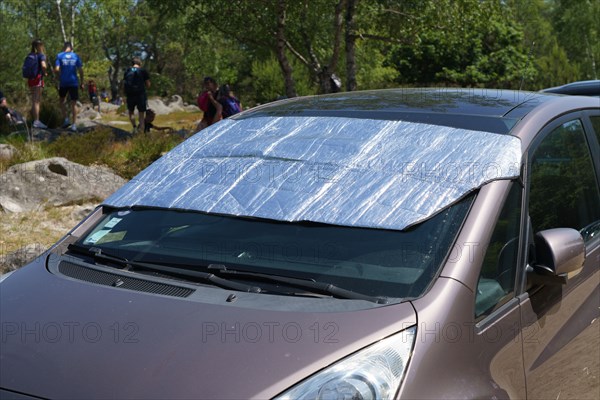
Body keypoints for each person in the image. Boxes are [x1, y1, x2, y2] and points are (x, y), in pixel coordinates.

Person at [55, 41, 84, 132]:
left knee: (61, 101)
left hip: (64, 82)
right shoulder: (75, 56)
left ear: (64, 47)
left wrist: (59, 76)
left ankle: (66, 119)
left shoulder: (59, 56)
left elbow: (56, 69)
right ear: (71, 48)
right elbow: (81, 70)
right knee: (74, 103)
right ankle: (74, 125)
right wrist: (82, 82)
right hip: (73, 82)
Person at [123, 56, 150, 133]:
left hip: (130, 95)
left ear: (132, 63)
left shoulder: (127, 71)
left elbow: (123, 84)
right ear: (139, 63)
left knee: (131, 112)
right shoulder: (143, 71)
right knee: (141, 114)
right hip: (140, 95)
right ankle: (141, 132)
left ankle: (134, 127)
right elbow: (148, 84)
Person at [25, 39, 48, 129]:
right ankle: (37, 121)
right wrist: (45, 72)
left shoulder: (30, 55)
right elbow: (43, 65)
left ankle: (35, 120)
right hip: (37, 78)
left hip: (30, 79)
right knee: (36, 100)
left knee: (34, 99)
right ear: (39, 46)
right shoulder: (41, 55)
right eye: (41, 45)